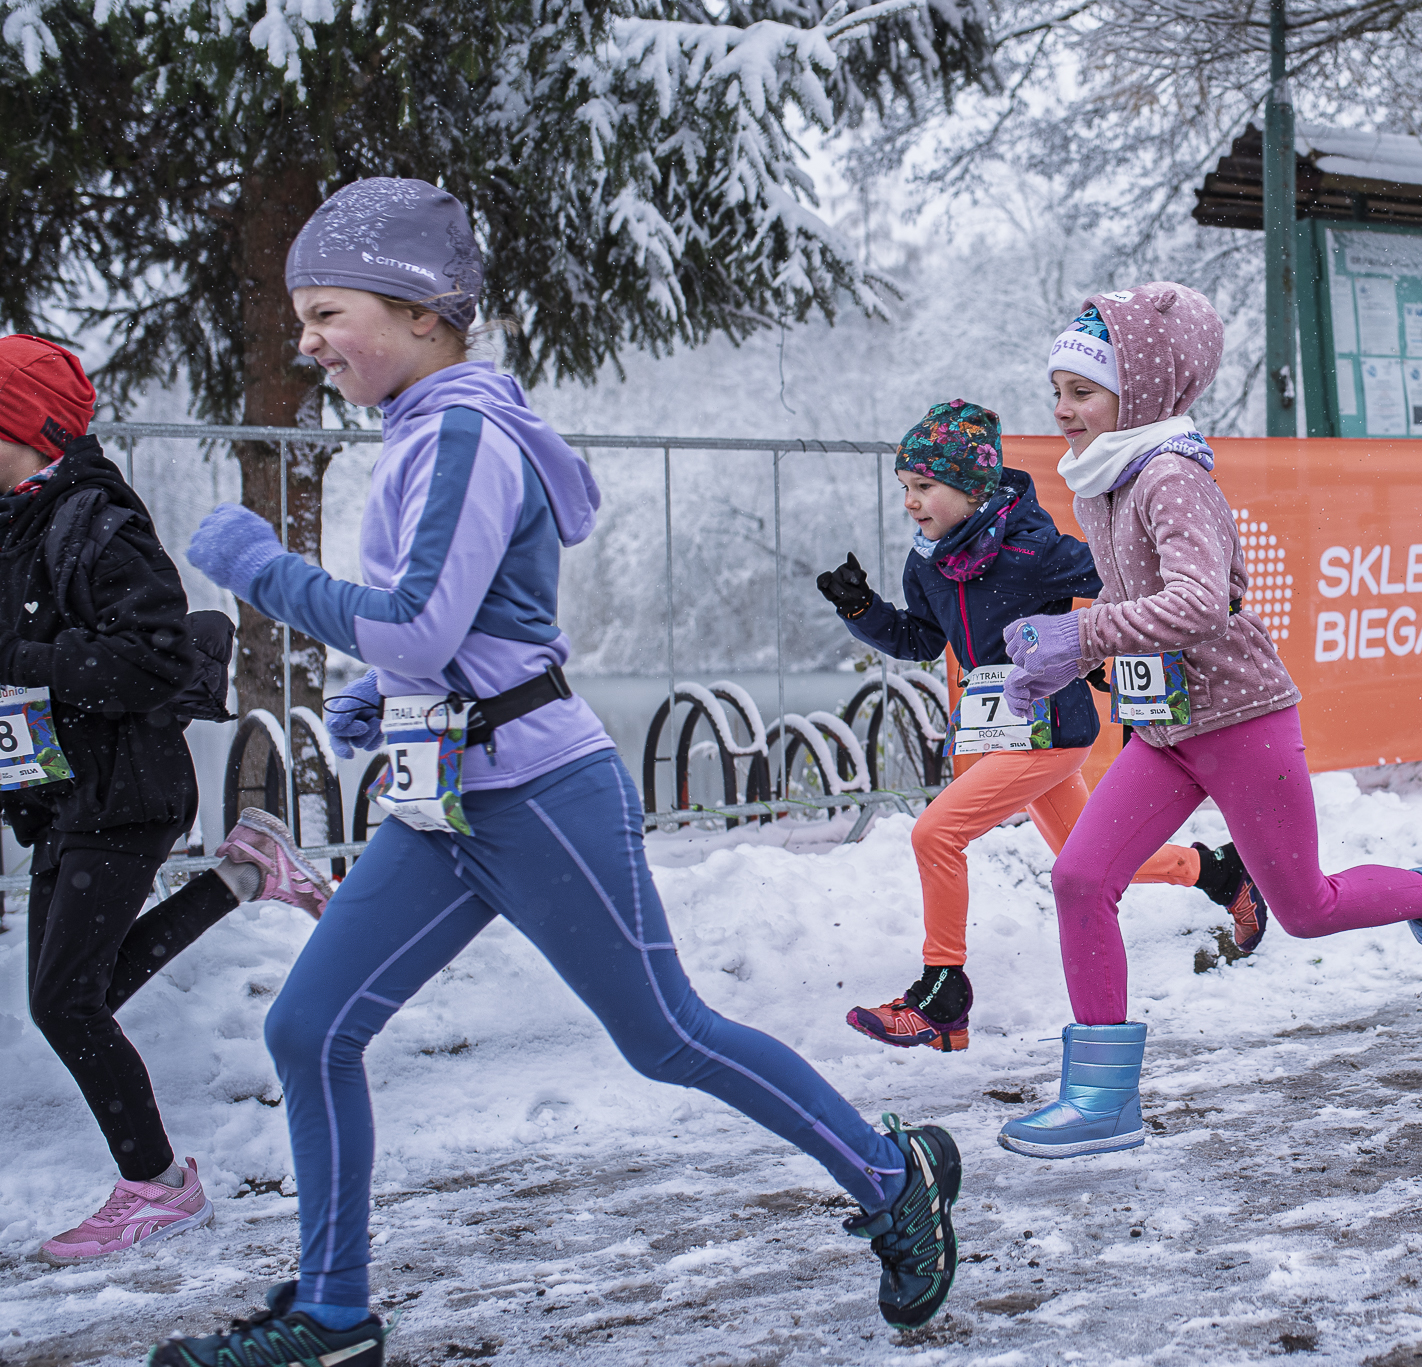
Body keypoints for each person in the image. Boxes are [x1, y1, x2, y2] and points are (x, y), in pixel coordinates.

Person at [154, 179, 959, 1366]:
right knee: (310, 1027)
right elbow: (469, 627)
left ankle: (892, 1179)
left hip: (537, 793)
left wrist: (262, 566)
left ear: (422, 310)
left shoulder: (465, 432)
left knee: (665, 1034)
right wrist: (400, 695)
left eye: (328, 313)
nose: (308, 342)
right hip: (446, 800)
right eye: (302, 317)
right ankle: (331, 1314)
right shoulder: (425, 427)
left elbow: (421, 619)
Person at [993, 283, 1422, 1159]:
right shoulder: (1103, 482)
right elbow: (1138, 613)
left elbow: (1200, 603)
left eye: (1082, 391)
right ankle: (1100, 1100)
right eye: (1056, 389)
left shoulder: (1169, 476)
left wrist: (1081, 632)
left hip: (1242, 719)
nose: (1061, 410)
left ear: (1140, 391)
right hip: (1166, 729)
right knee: (1080, 879)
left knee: (1306, 908)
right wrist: (1059, 665)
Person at [0, 333, 333, 1266]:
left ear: (25, 430)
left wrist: (21, 660)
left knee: (66, 1002)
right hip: (66, 792)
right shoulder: (18, 521)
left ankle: (159, 1186)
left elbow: (154, 660)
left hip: (127, 790)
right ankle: (242, 873)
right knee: (75, 995)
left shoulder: (98, 523)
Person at [816, 399, 1270, 1053]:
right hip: (1002, 730)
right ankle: (1219, 871)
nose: (911, 501)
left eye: (924, 486)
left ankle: (943, 994)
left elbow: (1124, 576)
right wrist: (863, 610)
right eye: (905, 487)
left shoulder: (1032, 549)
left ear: (970, 488)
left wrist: (1115, 640)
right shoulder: (928, 563)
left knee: (936, 833)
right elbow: (921, 639)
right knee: (1086, 857)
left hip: (1053, 726)